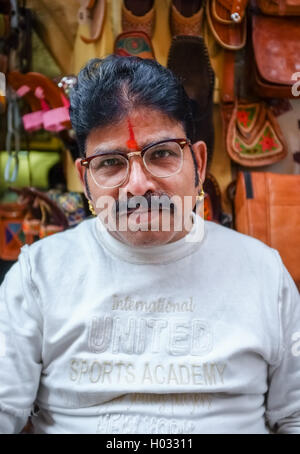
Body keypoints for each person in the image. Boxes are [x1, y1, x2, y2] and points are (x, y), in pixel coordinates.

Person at [0, 55, 300, 435]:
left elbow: (294, 416)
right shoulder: (37, 275)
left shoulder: (262, 272)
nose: (139, 185)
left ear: (199, 163)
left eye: (161, 154)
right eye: (110, 162)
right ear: (85, 179)